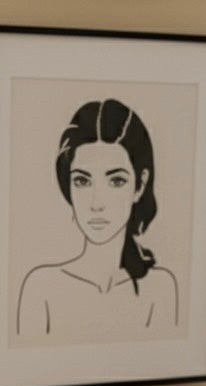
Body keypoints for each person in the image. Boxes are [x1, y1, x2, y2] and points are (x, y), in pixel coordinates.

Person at [16, 98, 178, 341]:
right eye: (82, 181)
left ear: (140, 185)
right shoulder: (40, 289)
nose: (96, 203)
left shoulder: (161, 288)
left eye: (116, 181)